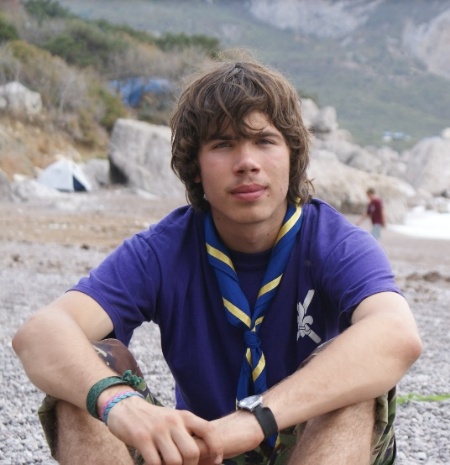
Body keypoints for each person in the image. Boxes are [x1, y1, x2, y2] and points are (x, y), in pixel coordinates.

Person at [13, 54, 422, 465]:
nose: (247, 163)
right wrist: (119, 403)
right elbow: (41, 333)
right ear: (195, 168)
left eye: (264, 141)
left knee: (354, 385)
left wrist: (255, 419)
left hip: (310, 442)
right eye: (223, 145)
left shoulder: (335, 243)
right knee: (83, 382)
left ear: (292, 155)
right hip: (202, 451)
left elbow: (396, 334)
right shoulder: (163, 250)